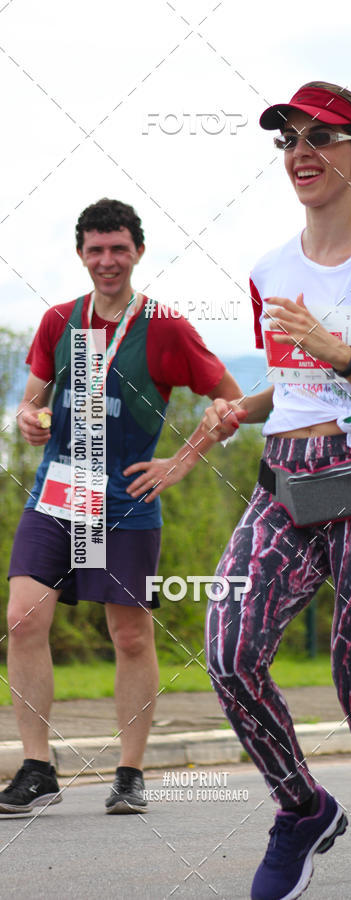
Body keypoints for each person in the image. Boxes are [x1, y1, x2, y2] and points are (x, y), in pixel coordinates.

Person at [202, 82, 351, 899]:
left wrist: (338, 350)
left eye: (319, 138)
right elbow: (296, 383)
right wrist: (243, 408)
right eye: (288, 141)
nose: (300, 154)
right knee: (229, 654)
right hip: (285, 484)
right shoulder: (268, 270)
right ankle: (303, 808)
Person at [0, 198, 239, 816]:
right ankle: (37, 768)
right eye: (96, 250)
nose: (107, 260)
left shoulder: (165, 328)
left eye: (118, 249)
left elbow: (231, 402)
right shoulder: (60, 320)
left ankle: (130, 772)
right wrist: (27, 416)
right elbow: (31, 400)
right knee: (23, 619)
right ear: (81, 254)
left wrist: (180, 461)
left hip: (126, 500)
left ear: (138, 252)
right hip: (58, 493)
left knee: (129, 635)